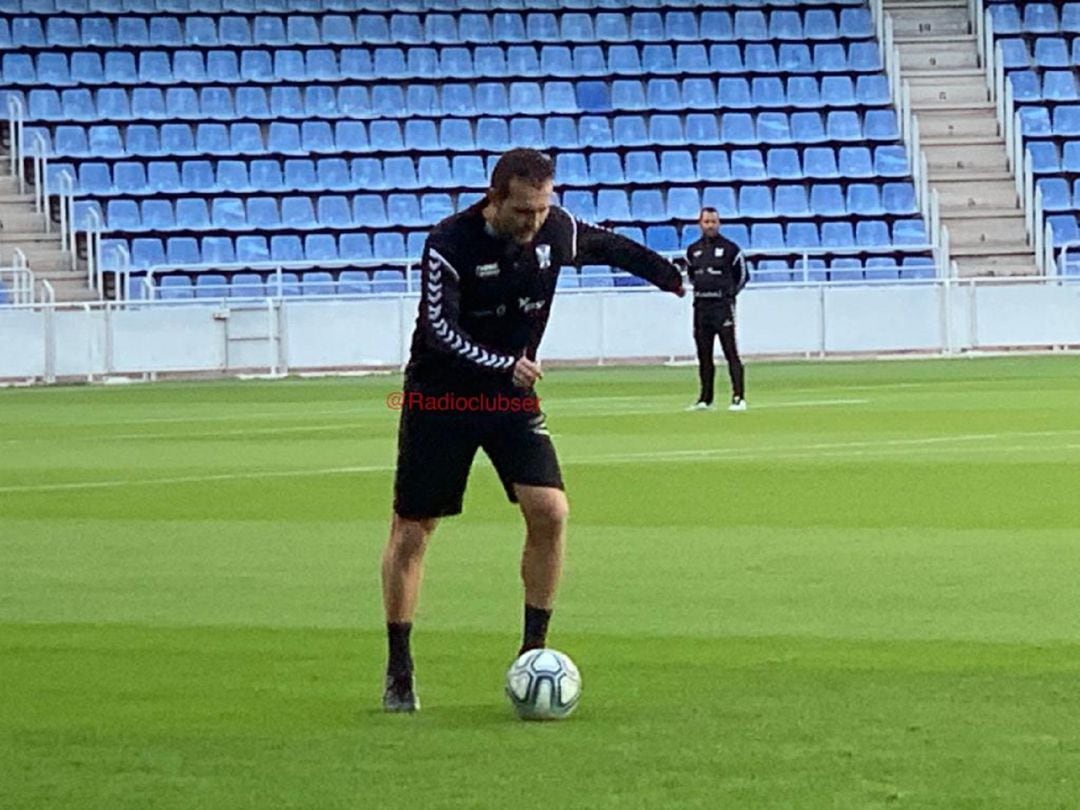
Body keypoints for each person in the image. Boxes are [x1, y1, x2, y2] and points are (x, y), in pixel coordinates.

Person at [381, 148, 685, 712]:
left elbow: (608, 245)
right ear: (494, 199)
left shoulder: (555, 229)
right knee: (413, 530)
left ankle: (532, 654)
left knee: (551, 511)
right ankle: (400, 668)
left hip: (508, 397)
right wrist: (505, 364)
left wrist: (666, 274)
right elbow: (440, 329)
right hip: (440, 395)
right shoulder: (448, 243)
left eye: (543, 210)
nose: (534, 223)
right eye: (523, 211)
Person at [682, 207, 749, 412]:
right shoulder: (692, 250)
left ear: (719, 224)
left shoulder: (731, 249)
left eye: (713, 222)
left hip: (722, 307)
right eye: (706, 222)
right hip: (701, 307)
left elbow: (743, 277)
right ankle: (705, 399)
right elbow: (692, 276)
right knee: (703, 354)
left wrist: (728, 295)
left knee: (730, 352)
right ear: (700, 224)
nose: (710, 225)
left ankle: (738, 397)